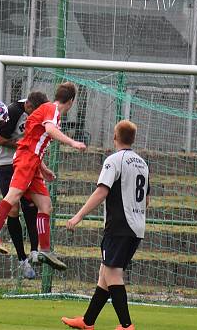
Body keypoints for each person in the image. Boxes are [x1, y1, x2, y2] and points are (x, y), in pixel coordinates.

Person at [0, 82, 86, 271]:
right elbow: (49, 130)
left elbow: (33, 139)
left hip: (33, 161)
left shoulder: (46, 110)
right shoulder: (52, 110)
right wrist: (72, 142)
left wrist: (43, 168)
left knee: (45, 206)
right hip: (26, 160)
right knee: (13, 196)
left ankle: (44, 250)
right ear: (71, 101)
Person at [61, 120, 149, 330]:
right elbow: (146, 200)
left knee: (112, 274)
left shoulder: (114, 160)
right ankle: (88, 321)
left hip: (119, 226)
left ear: (115, 137)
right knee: (105, 274)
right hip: (136, 227)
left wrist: (78, 216)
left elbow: (102, 191)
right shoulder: (142, 164)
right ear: (133, 139)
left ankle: (126, 325)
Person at [0, 91, 49, 279]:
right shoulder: (14, 111)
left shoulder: (39, 112)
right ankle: (21, 260)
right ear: (29, 107)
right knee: (13, 209)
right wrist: (25, 145)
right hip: (5, 164)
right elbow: (1, 140)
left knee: (32, 205)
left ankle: (34, 251)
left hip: (25, 160)